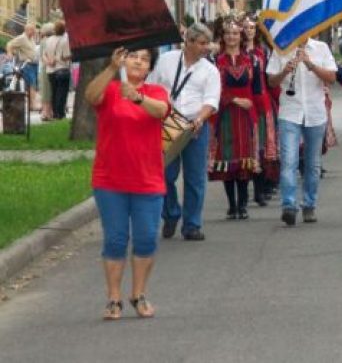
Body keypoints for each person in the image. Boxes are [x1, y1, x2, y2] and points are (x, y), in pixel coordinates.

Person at [85, 46, 170, 320]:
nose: (138, 61)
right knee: (115, 239)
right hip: (110, 180)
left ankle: (139, 294)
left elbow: (161, 111)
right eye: (134, 56)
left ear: (149, 68)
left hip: (148, 180)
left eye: (144, 59)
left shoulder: (155, 92)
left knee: (146, 238)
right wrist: (111, 68)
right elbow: (90, 95)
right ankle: (113, 298)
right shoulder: (110, 90)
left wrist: (136, 97)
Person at [149, 23, 220, 241]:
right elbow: (152, 86)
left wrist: (200, 118)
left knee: (195, 178)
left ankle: (192, 225)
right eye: (201, 43)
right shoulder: (166, 60)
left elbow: (211, 100)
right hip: (167, 124)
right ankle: (170, 213)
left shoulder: (210, 70)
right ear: (188, 42)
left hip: (194, 127)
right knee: (164, 174)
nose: (206, 47)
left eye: (207, 43)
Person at [266, 35, 337, 226]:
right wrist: (284, 71)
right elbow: (271, 81)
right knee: (289, 161)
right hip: (290, 111)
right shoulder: (281, 48)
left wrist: (310, 64)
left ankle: (309, 204)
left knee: (313, 164)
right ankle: (289, 205)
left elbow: (332, 77)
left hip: (315, 112)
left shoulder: (321, 48)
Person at [209, 20, 259, 220]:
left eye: (235, 33)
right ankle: (232, 204)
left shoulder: (251, 60)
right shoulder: (215, 61)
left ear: (241, 36)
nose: (232, 37)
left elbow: (256, 89)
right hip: (225, 114)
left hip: (246, 114)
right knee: (227, 161)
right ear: (223, 36)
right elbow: (213, 89)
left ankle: (243, 203)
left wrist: (253, 106)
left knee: (245, 161)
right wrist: (234, 100)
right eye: (228, 33)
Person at [242, 15, 279, 206]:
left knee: (262, 148)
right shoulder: (236, 52)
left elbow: (269, 79)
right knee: (246, 147)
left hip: (262, 101)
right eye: (246, 27)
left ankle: (261, 188)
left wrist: (278, 100)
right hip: (243, 103)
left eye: (252, 28)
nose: (249, 30)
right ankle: (242, 192)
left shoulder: (262, 52)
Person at [43, 20, 71, 120]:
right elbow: (66, 56)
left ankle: (55, 113)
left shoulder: (48, 40)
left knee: (54, 92)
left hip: (50, 70)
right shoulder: (65, 40)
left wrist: (49, 61)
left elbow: (44, 54)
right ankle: (60, 113)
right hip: (62, 68)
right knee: (62, 93)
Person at [6, 22, 39, 107]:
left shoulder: (31, 38)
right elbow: (9, 44)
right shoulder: (22, 38)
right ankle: (33, 104)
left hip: (34, 64)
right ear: (28, 30)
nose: (35, 31)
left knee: (33, 84)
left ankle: (32, 104)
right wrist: (9, 53)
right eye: (33, 30)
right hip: (27, 64)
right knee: (32, 84)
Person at [37, 23, 55, 121]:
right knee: (51, 91)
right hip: (54, 67)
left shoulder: (44, 41)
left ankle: (46, 113)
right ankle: (50, 112)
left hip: (45, 68)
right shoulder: (56, 40)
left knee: (45, 91)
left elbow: (42, 56)